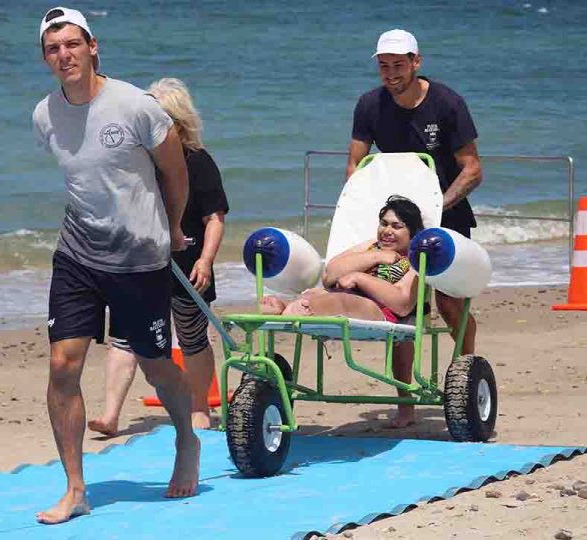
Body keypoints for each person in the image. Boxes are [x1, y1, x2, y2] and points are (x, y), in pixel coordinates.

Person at [31, 7, 199, 524]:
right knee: (63, 365)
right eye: (54, 48)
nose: (65, 55)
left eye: (72, 44)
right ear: (46, 57)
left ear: (92, 46)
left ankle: (187, 440)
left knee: (153, 365)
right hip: (78, 253)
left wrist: (171, 231)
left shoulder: (136, 106)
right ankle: (76, 489)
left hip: (140, 257)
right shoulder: (44, 115)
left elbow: (175, 173)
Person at [346, 29, 483, 424]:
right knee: (401, 308)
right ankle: (405, 401)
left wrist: (437, 209)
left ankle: (464, 383)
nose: (391, 74)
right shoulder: (369, 105)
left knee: (449, 303)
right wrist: (370, 216)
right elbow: (355, 165)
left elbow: (472, 169)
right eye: (384, 66)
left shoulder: (447, 103)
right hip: (400, 222)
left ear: (416, 62)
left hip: (447, 216)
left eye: (399, 65)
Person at [88, 78, 229, 435]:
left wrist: (206, 261)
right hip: (138, 262)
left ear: (177, 123)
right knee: (125, 337)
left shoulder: (198, 161)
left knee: (192, 336)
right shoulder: (135, 161)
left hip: (188, 263)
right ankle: (111, 414)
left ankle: (200, 407)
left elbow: (215, 218)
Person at [261, 196, 424, 427]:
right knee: (325, 294)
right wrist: (375, 256)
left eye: (397, 226)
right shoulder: (370, 247)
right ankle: (298, 307)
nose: (387, 231)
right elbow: (330, 274)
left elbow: (402, 302)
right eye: (384, 223)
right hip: (342, 298)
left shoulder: (416, 260)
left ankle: (293, 309)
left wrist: (360, 277)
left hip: (379, 310)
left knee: (344, 302)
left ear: (412, 232)